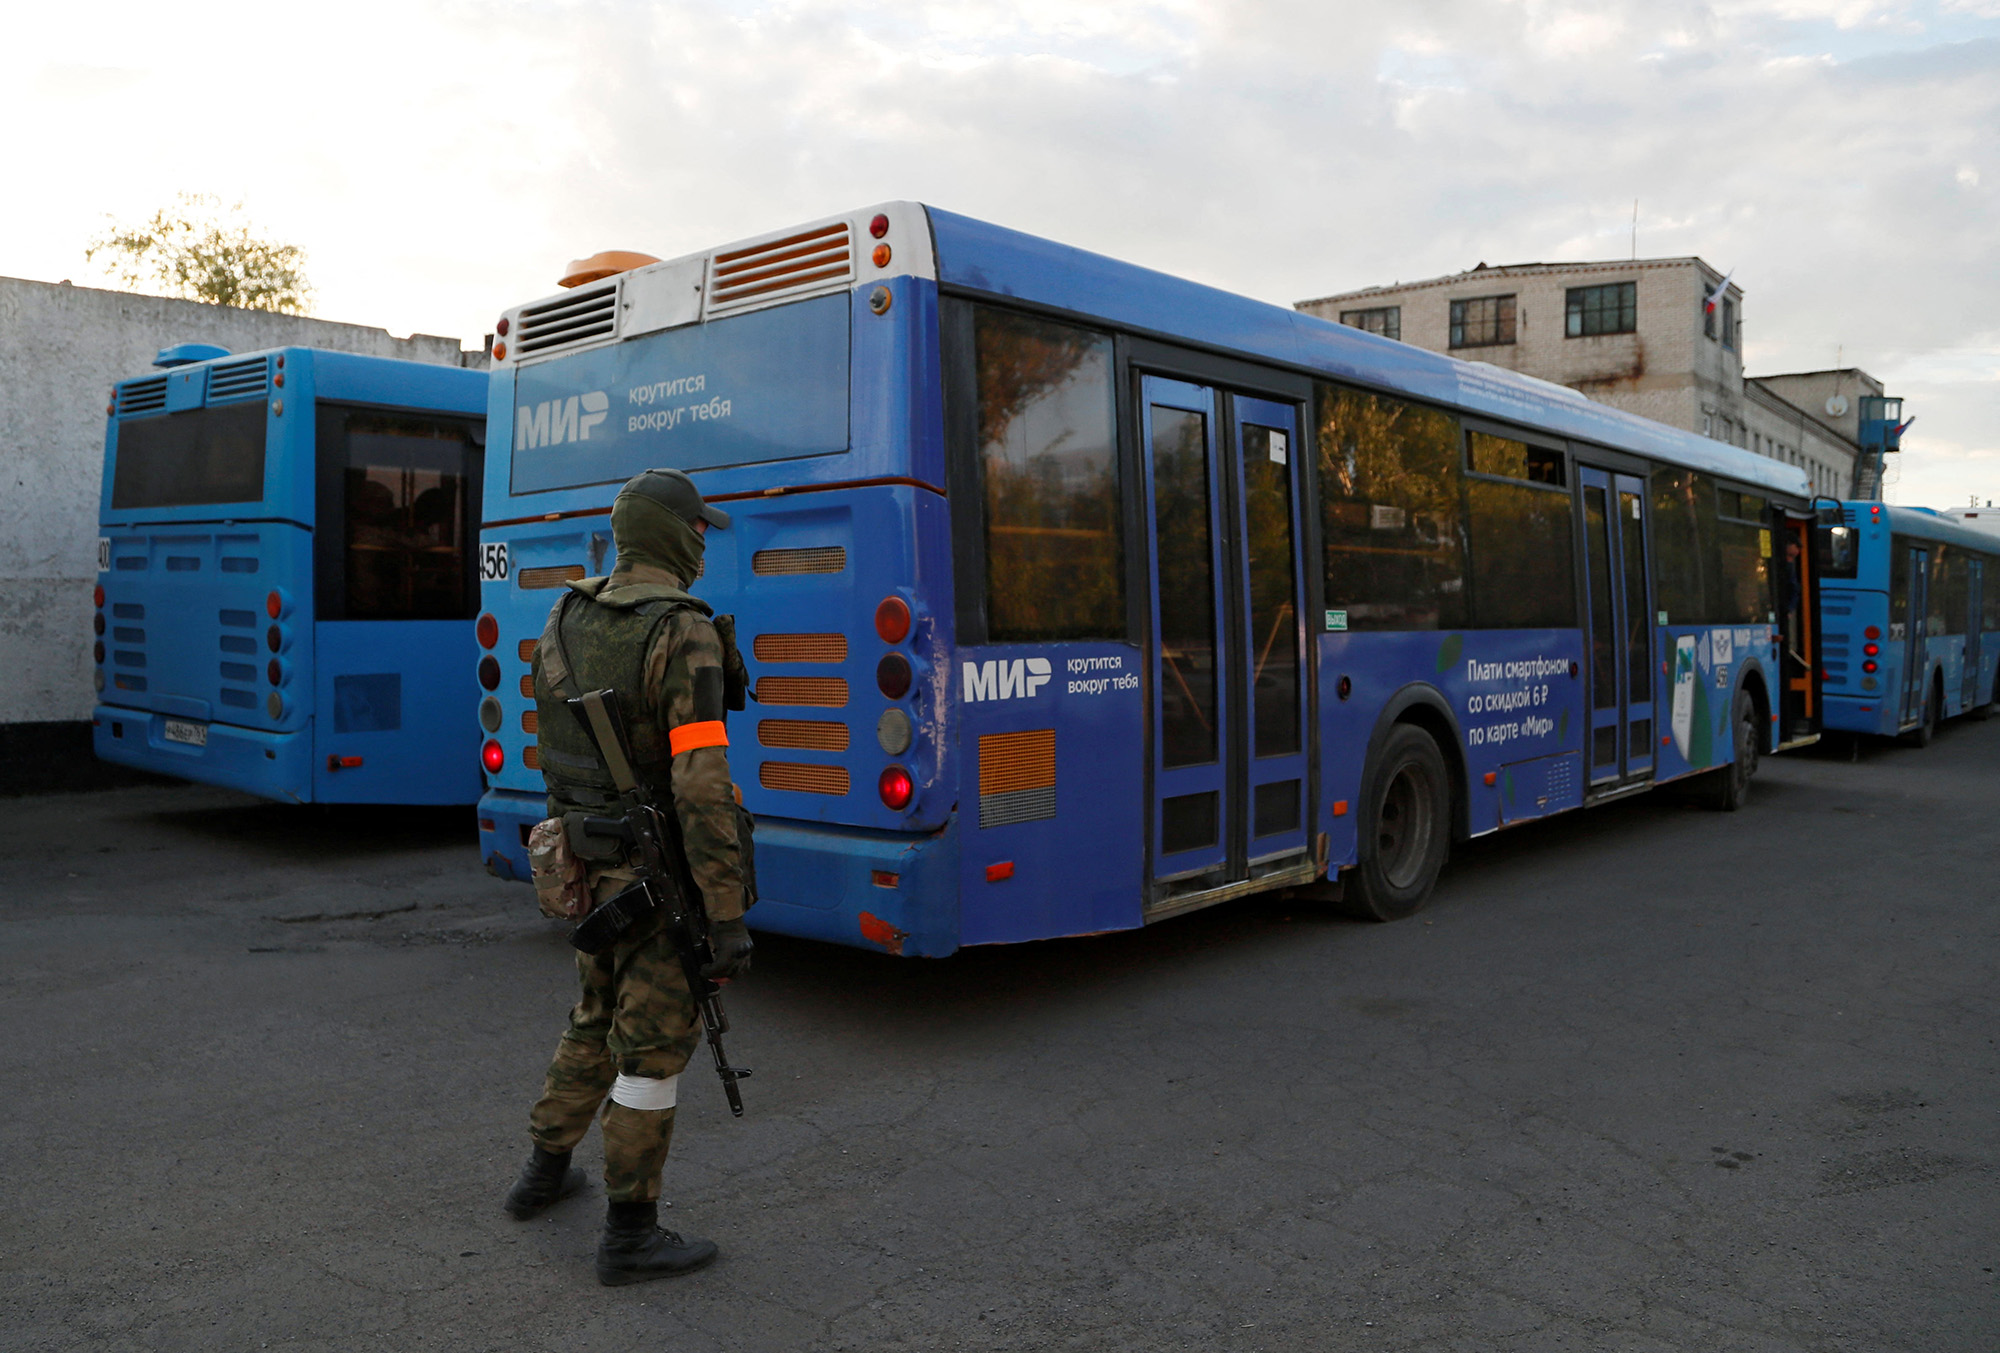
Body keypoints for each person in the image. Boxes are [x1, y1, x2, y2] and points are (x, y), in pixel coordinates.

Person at [501, 467, 755, 1285]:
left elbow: (556, 754)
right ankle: (630, 1233)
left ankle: (541, 1173)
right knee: (650, 1054)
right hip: (659, 874)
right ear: (672, 535)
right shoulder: (682, 631)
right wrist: (724, 913)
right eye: (699, 527)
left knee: (593, 1015)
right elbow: (701, 786)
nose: (705, 541)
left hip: (590, 866)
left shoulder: (565, 615)